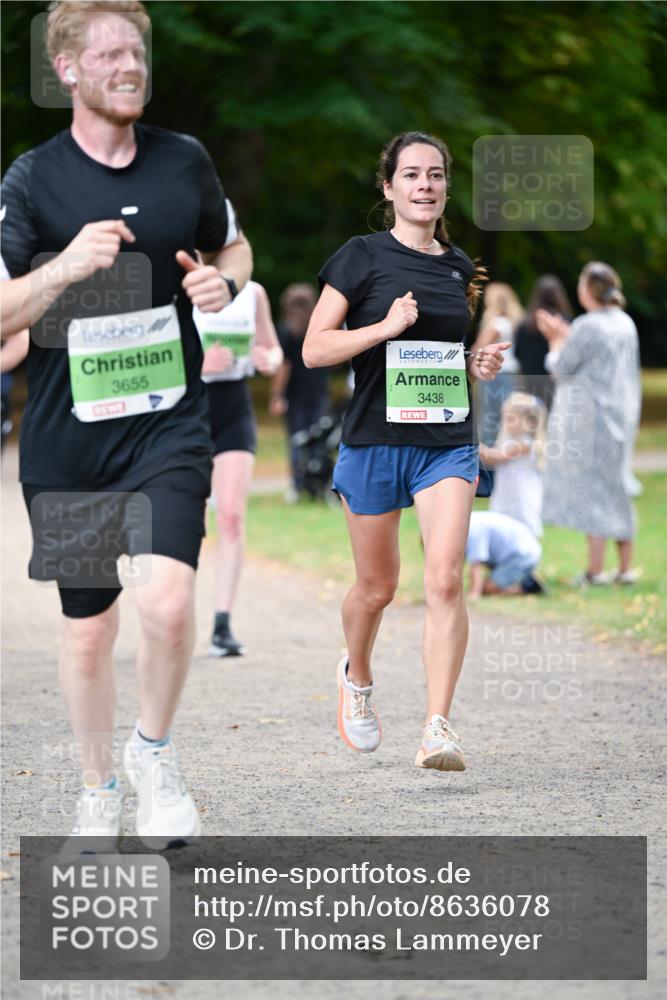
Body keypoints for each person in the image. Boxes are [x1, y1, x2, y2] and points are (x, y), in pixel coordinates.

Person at [1, 0, 252, 847]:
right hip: (69, 439)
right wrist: (64, 267)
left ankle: (153, 753)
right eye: (108, 53)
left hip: (167, 424)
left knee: (172, 604)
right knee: (88, 632)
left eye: (136, 51)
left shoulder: (184, 161)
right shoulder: (32, 181)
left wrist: (226, 286)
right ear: (67, 70)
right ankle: (97, 788)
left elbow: (234, 248)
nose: (129, 64)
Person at [303, 131, 509, 772]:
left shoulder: (458, 265)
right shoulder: (359, 257)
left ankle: (437, 727)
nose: (426, 185)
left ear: (447, 186)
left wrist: (475, 364)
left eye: (437, 175)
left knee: (445, 577)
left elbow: (439, 358)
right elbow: (315, 348)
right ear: (388, 186)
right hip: (373, 442)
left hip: (445, 443)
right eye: (412, 175)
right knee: (377, 587)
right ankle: (356, 678)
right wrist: (385, 328)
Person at [538, 262, 641, 587]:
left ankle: (594, 571)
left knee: (595, 494)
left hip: (592, 419)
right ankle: (624, 568)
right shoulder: (625, 322)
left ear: (588, 290)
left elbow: (561, 368)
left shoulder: (588, 324)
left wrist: (555, 342)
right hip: (621, 415)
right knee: (618, 488)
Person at [194, 279, 282, 657]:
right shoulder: (182, 284)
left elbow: (273, 347)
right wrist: (200, 362)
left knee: (230, 517)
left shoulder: (253, 292)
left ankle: (222, 624)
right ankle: (171, 618)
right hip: (188, 409)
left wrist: (269, 360)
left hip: (233, 407)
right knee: (187, 522)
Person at [270, 283, 330, 499]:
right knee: (319, 439)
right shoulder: (318, 328)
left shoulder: (285, 330)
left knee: (296, 440)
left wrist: (277, 395)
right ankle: (318, 485)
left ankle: (297, 486)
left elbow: (283, 366)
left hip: (294, 395)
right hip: (318, 391)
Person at [480, 391, 547, 540]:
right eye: (504, 417)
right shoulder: (507, 439)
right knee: (502, 527)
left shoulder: (525, 443)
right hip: (506, 491)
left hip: (521, 495)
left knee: (524, 528)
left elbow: (497, 457)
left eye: (510, 418)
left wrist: (474, 445)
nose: (505, 422)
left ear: (528, 422)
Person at [471, 282, 523, 445]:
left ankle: (489, 463)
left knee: (489, 418)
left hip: (495, 375)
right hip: (510, 374)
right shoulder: (510, 322)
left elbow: (479, 347)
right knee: (505, 417)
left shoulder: (496, 324)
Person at [514, 275, 573, 409]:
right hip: (555, 380)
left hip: (530, 381)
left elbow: (517, 352)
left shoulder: (525, 323)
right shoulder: (565, 321)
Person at [466, 511, 543, 598]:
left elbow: (476, 565)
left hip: (523, 555)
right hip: (512, 550)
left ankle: (529, 587)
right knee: (486, 583)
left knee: (486, 589)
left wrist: (474, 593)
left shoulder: (473, 530)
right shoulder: (468, 520)